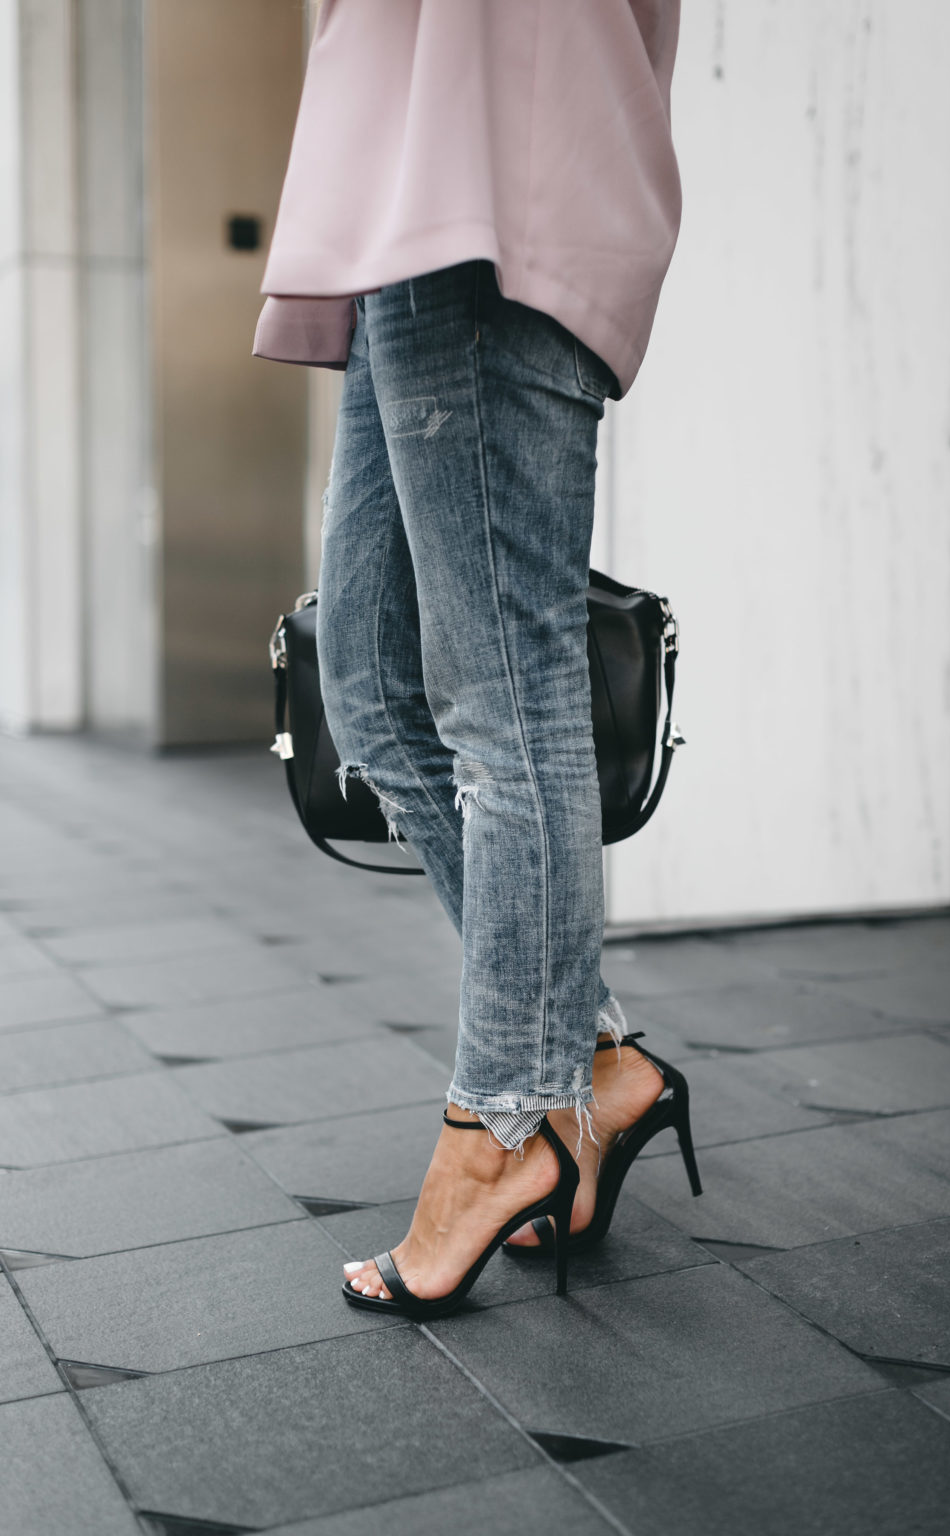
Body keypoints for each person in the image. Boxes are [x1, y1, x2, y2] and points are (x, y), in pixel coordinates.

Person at [254, 0, 699, 1320]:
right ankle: (596, 1064)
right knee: (371, 692)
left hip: (491, 190)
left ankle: (499, 1124)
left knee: (503, 705)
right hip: (411, 194)